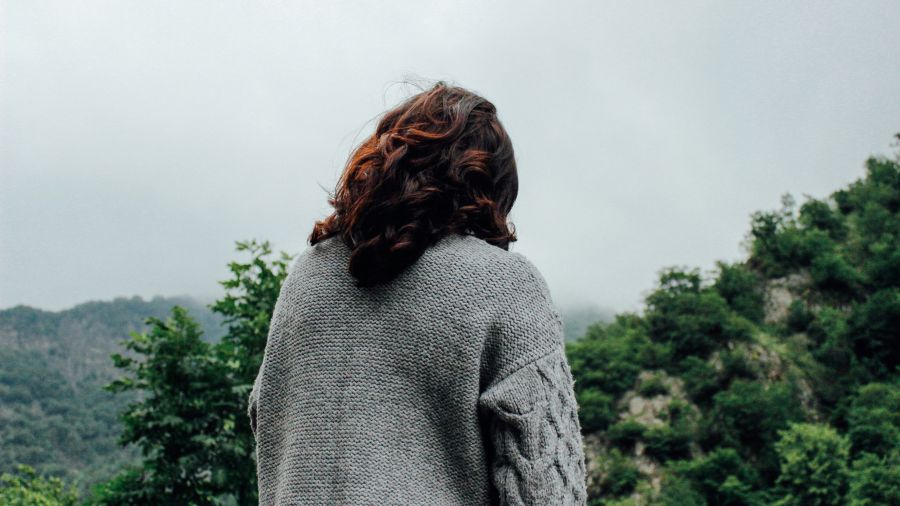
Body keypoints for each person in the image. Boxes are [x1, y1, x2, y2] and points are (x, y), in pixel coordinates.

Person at [248, 81, 588, 505]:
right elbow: (545, 488)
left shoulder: (307, 276)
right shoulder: (504, 284)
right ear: (492, 185)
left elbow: (269, 421)